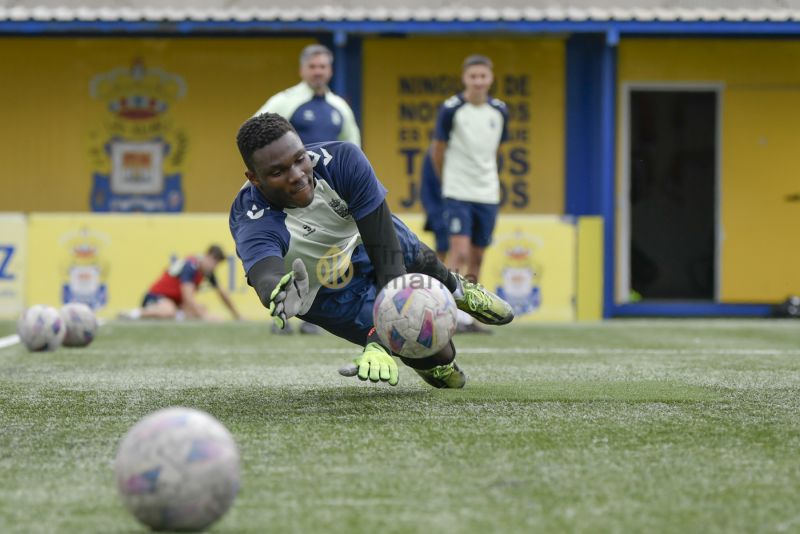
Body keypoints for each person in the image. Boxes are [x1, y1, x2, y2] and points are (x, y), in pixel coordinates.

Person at [229, 113, 514, 388]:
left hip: (360, 241)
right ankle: (437, 367)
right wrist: (278, 292)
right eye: (278, 172)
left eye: (299, 159)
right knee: (433, 349)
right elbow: (265, 272)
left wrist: (380, 340)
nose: (297, 175)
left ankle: (457, 290)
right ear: (254, 178)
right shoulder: (252, 218)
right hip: (325, 290)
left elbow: (387, 255)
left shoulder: (342, 161)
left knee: (401, 241)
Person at [254, 43, 361, 334]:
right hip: (288, 193)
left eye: (323, 66)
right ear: (303, 69)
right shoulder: (286, 101)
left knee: (322, 254)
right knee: (288, 250)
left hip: (326, 195)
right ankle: (282, 313)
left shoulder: (340, 108)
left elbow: (353, 150)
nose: (318, 72)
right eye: (313, 66)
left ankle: (311, 315)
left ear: (330, 70)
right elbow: (254, 131)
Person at [430, 54, 509, 334]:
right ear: (465, 78)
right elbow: (437, 150)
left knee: (477, 255)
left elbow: (497, 150)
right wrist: (447, 181)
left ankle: (469, 315)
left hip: (487, 193)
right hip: (458, 190)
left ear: (490, 79)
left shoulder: (499, 110)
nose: (478, 81)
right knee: (459, 251)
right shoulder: (452, 109)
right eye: (473, 76)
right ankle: (445, 312)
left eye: (483, 76)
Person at [121, 245, 241, 321]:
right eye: (214, 263)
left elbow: (222, 294)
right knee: (170, 311)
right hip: (156, 297)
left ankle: (179, 314)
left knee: (202, 309)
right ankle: (134, 314)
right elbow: (187, 297)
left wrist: (237, 315)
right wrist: (204, 317)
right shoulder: (191, 266)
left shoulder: (206, 271)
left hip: (174, 301)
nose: (214, 267)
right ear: (208, 256)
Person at [419, 149, 448, 262]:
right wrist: (434, 215)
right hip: (439, 212)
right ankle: (442, 278)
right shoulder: (431, 156)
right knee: (442, 251)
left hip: (460, 210)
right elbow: (426, 191)